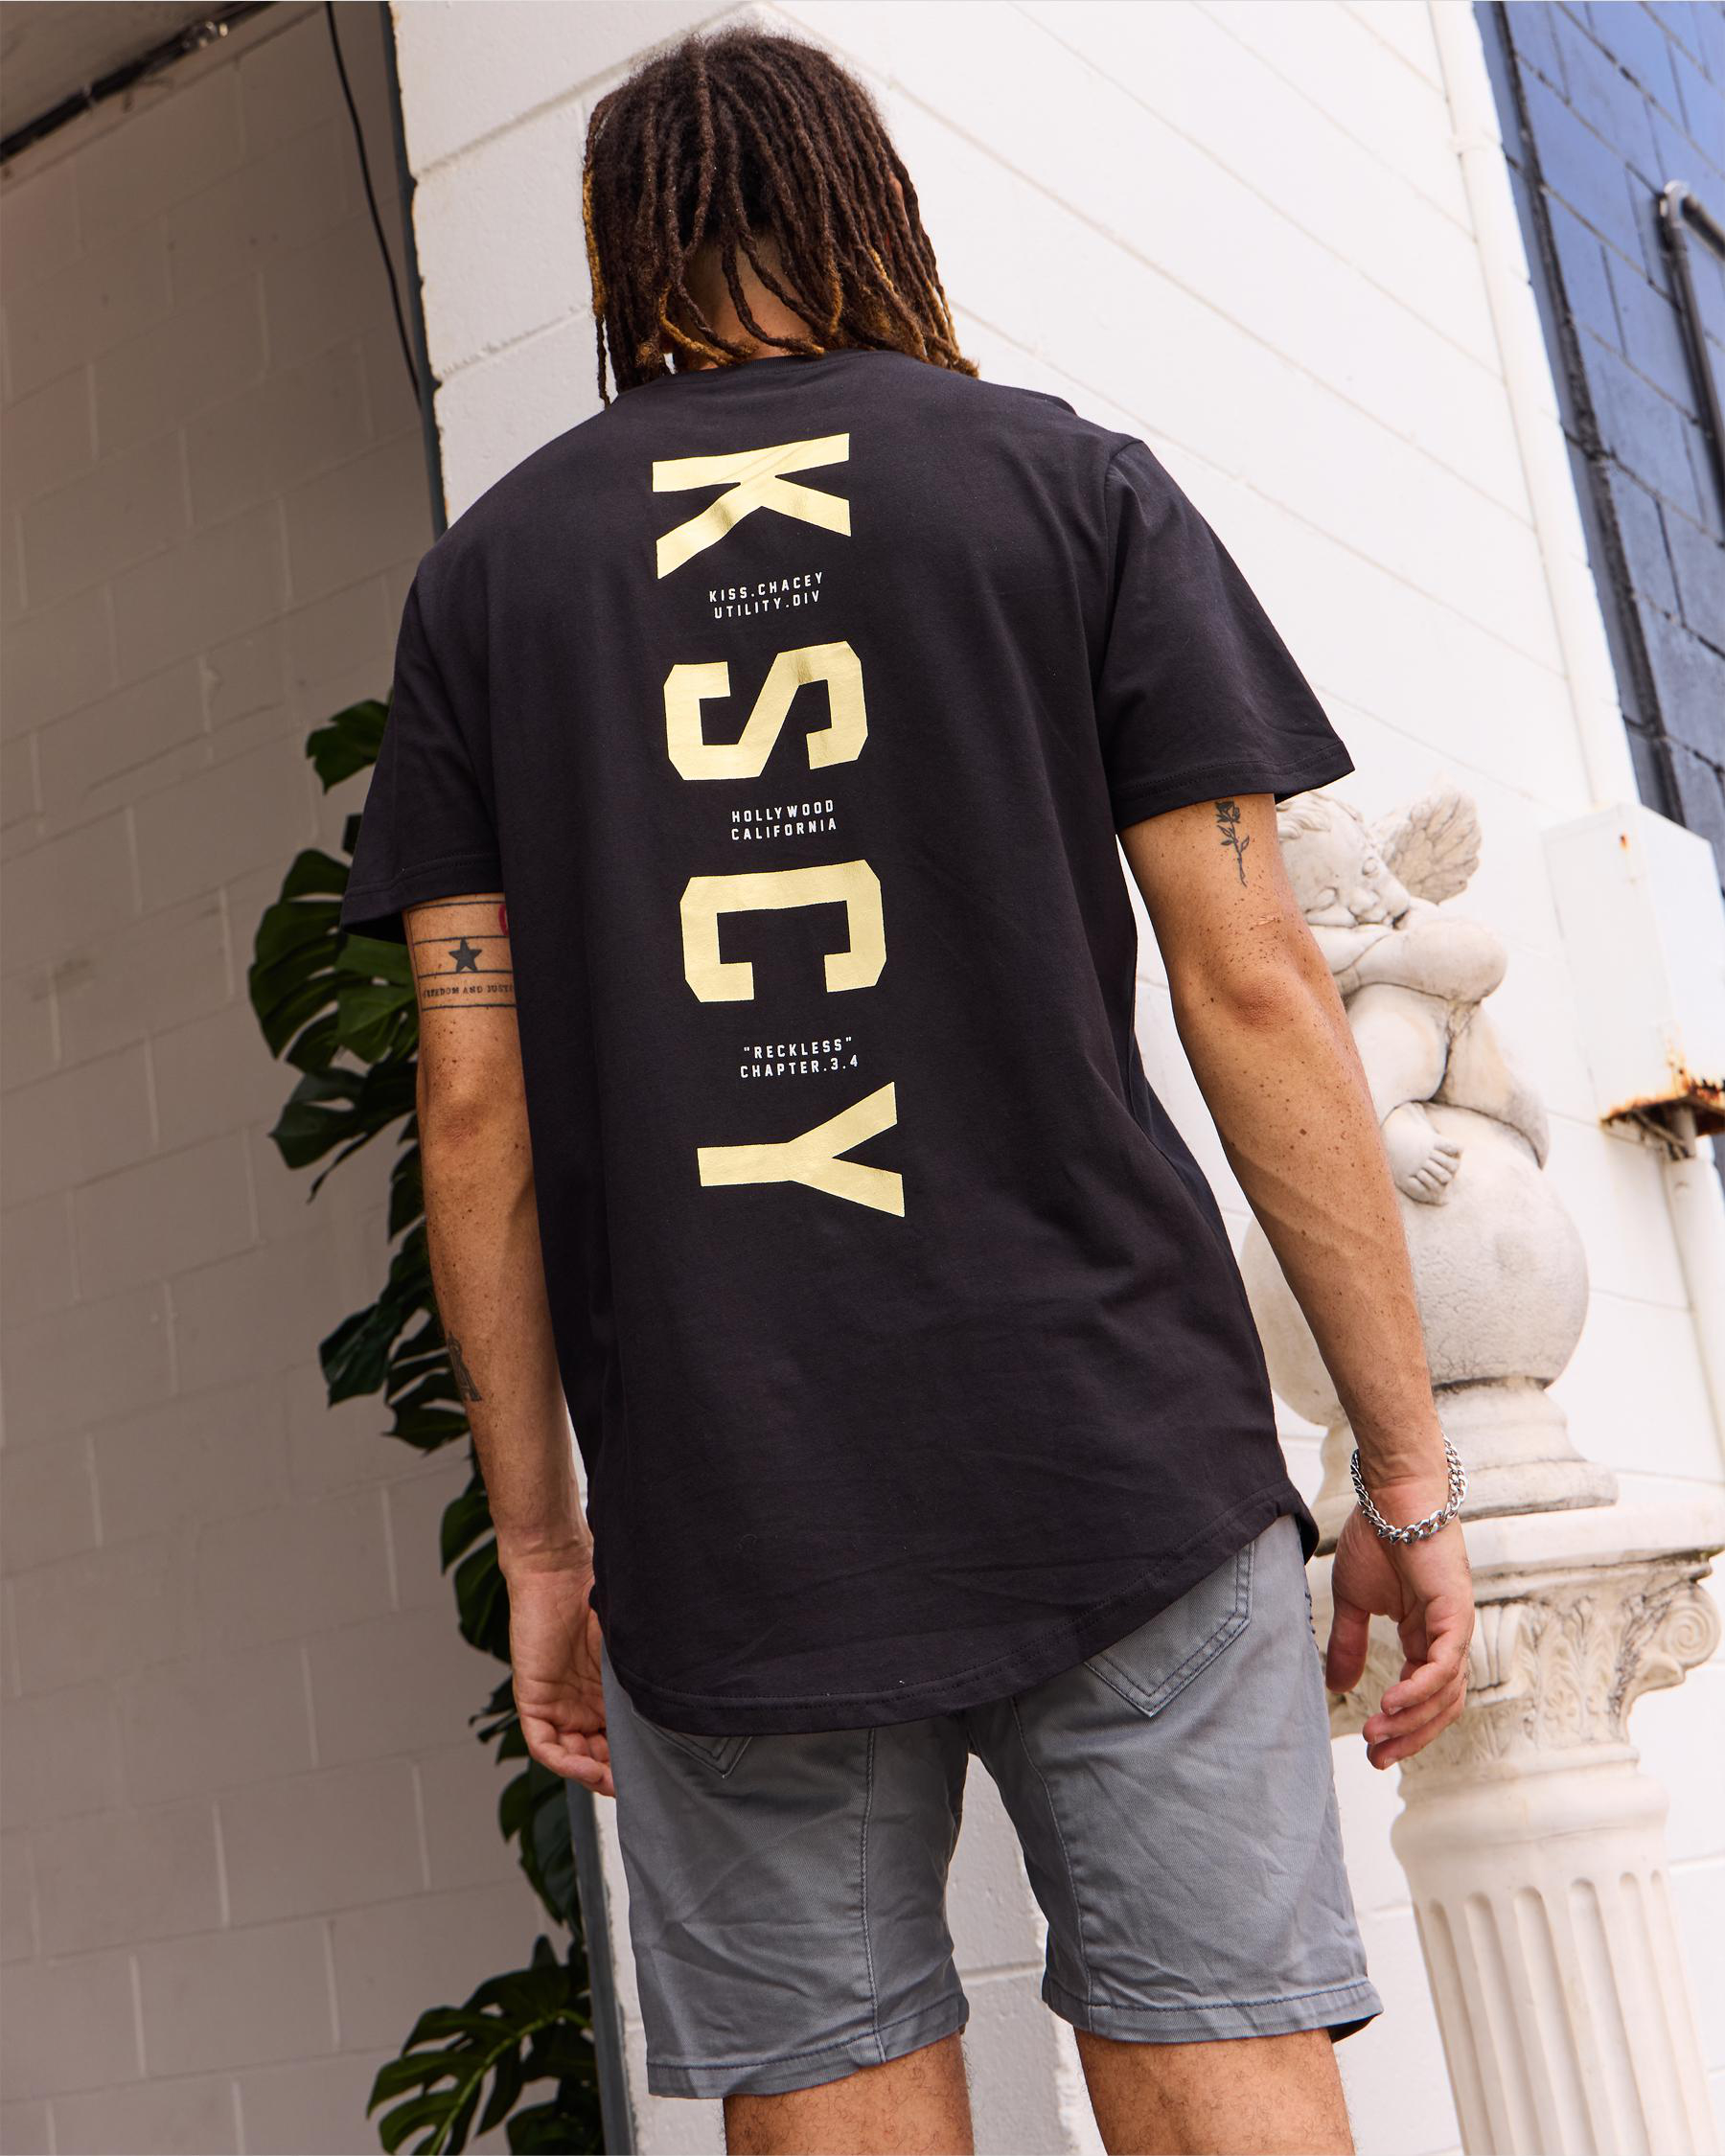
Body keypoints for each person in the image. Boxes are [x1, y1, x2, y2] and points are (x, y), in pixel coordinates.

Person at [340, 23, 1476, 2154]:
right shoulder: (1069, 488)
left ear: (622, 252)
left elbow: (472, 1108)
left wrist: (544, 1542)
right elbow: (1255, 987)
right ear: (871, 210)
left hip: (730, 1510)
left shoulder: (491, 583)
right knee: (1228, 2057)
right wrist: (1403, 1473)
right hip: (1116, 1452)